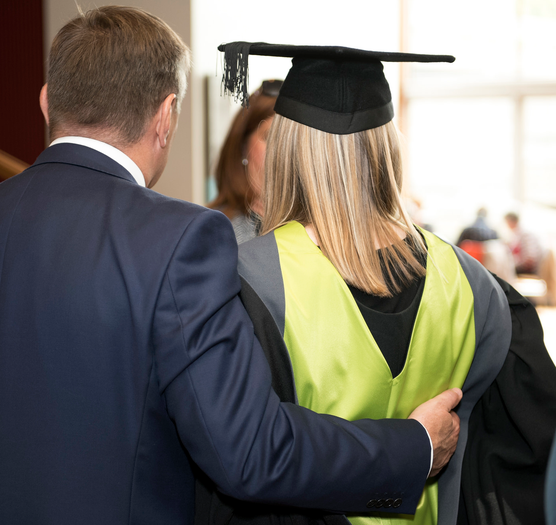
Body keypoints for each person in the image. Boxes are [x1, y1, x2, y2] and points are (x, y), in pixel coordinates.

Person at [0, 10, 461, 524]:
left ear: (48, 101)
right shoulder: (180, 241)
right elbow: (248, 450)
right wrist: (409, 448)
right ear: (167, 115)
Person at [198, 42, 556, 525]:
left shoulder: (247, 281)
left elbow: (239, 470)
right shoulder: (476, 289)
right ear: (387, 148)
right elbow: (510, 470)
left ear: (288, 150)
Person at [208, 79, 282, 243]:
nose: (281, 153)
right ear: (242, 147)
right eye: (269, 137)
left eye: (289, 141)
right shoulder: (216, 232)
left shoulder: (319, 232)